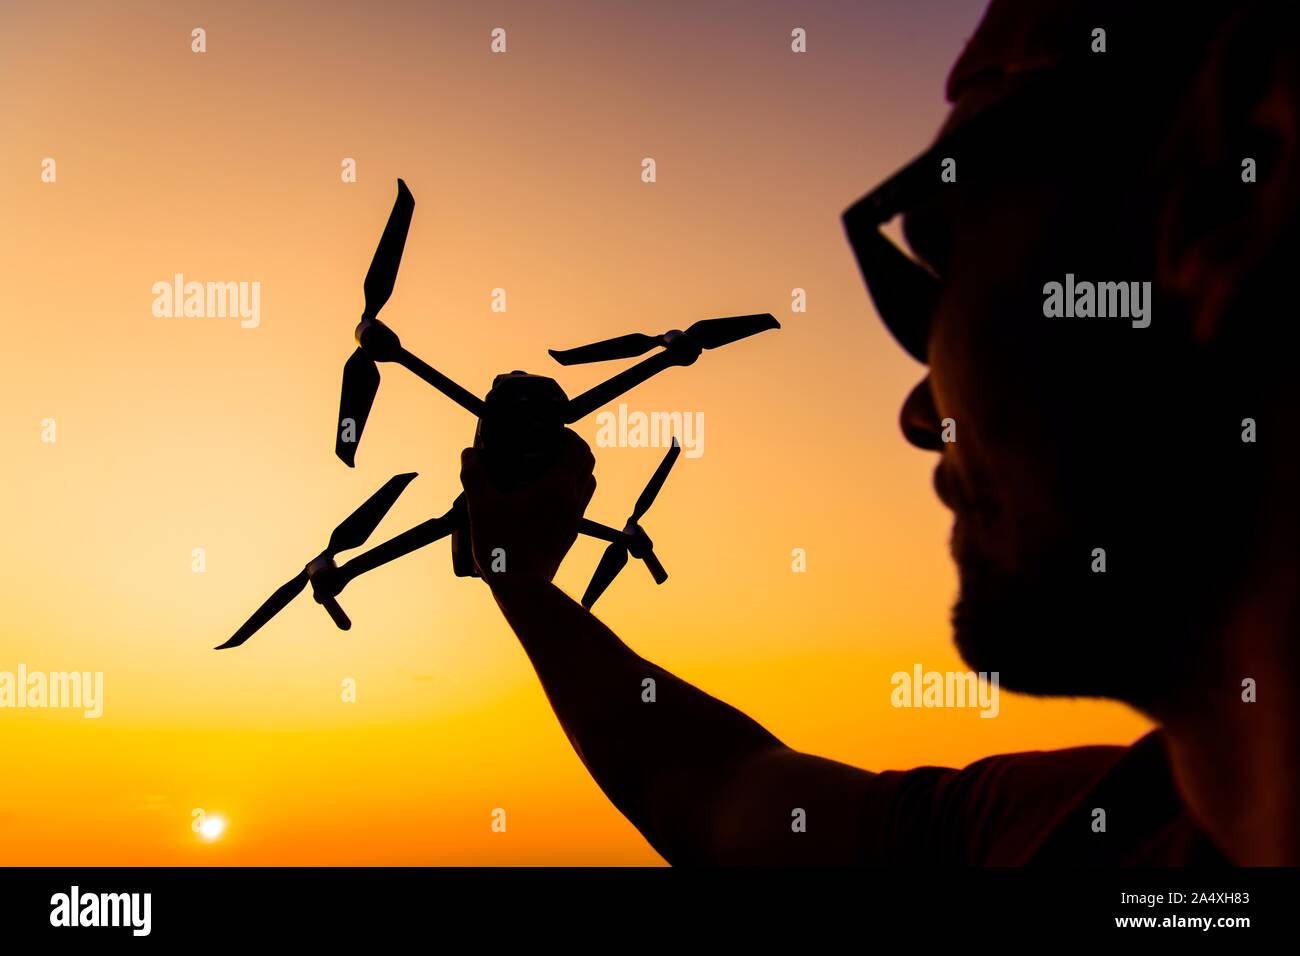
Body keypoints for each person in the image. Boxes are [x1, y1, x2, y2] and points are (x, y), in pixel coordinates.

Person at [459, 0, 1300, 865]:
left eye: (939, 261)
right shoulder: (1071, 832)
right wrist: (523, 584)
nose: (918, 415)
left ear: (1219, 196)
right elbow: (710, 787)